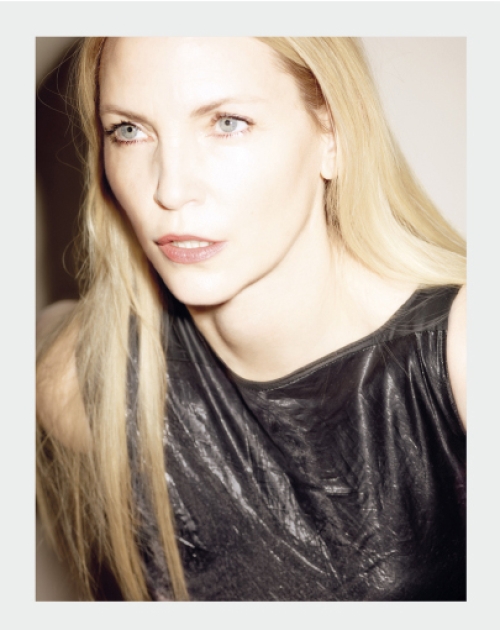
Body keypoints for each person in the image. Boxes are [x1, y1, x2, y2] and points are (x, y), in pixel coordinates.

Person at [36, 37, 466, 602]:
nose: (170, 189)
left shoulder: (463, 355)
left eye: (228, 123)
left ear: (333, 135)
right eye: (130, 130)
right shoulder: (91, 382)